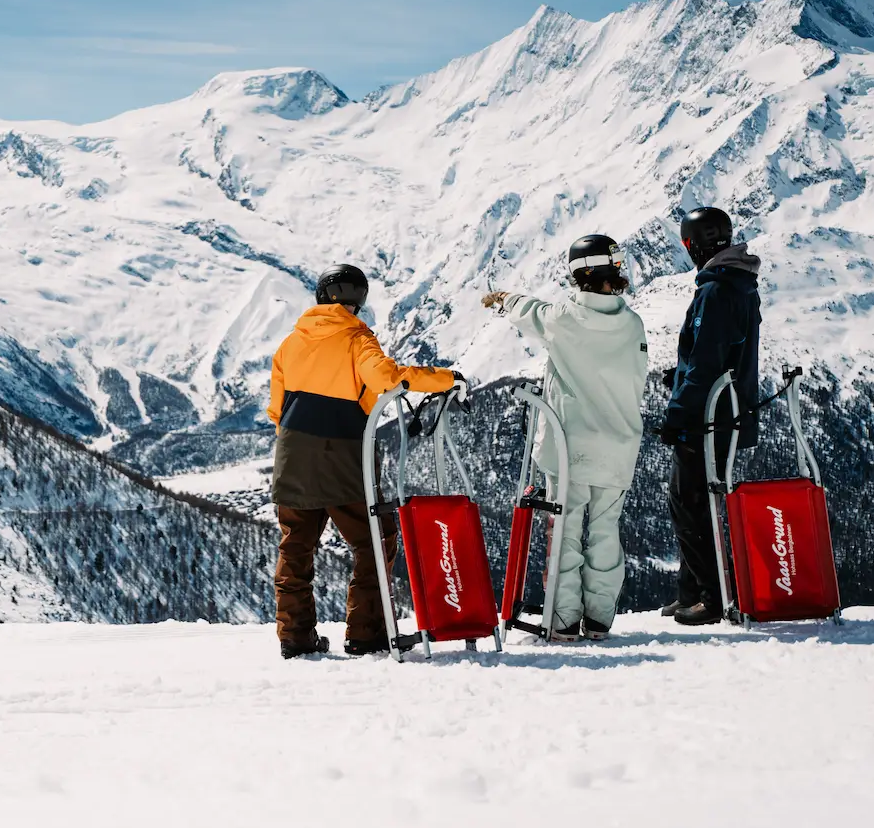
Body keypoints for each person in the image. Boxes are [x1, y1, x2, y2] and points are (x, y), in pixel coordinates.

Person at [267, 263, 460, 659]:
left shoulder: (291, 343)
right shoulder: (357, 340)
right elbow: (390, 378)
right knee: (375, 540)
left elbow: (276, 408)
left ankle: (295, 637)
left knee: (296, 549)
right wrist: (446, 378)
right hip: (342, 453)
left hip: (291, 454)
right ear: (359, 302)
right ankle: (363, 634)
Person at [480, 234, 648, 639]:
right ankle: (600, 619)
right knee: (607, 530)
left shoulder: (565, 318)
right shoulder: (632, 324)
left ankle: (565, 619)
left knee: (566, 530)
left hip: (570, 445)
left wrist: (503, 298)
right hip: (619, 443)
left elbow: (531, 312)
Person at [657, 207, 762, 626]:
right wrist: (679, 375)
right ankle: (691, 590)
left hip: (708, 418)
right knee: (694, 499)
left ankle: (709, 597)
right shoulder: (739, 284)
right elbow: (720, 349)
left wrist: (679, 412)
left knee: (690, 502)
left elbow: (706, 359)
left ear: (692, 244)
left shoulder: (715, 290)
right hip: (729, 410)